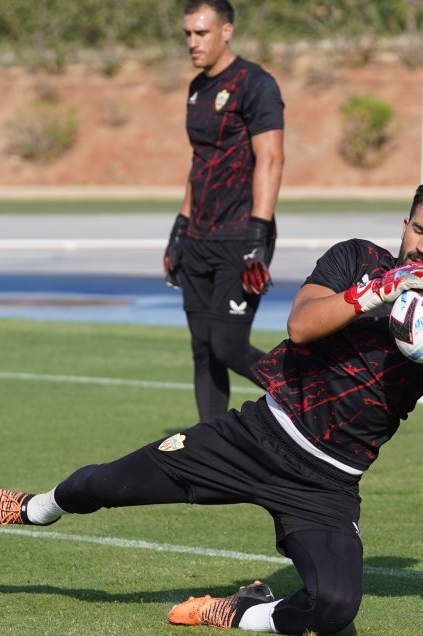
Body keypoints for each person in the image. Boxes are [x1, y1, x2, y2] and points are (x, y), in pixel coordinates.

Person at [0, 182, 423, 636]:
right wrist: (376, 292)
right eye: (419, 230)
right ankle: (36, 507)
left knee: (335, 609)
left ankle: (240, 610)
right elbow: (300, 326)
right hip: (256, 437)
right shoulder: (357, 259)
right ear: (405, 225)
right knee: (106, 484)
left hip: (327, 484)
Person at [163, 0, 285, 422]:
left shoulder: (256, 84)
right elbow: (200, 162)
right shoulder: (197, 89)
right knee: (203, 348)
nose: (192, 42)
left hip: (240, 235)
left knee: (228, 346)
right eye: (187, 34)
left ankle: (303, 394)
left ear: (226, 31)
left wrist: (257, 235)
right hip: (198, 235)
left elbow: (271, 159)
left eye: (201, 33)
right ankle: (209, 443)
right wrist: (179, 228)